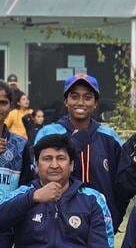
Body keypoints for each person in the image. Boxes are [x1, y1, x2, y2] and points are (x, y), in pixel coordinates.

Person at [34, 73, 127, 229]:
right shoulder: (48, 133)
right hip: (55, 222)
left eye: (87, 97)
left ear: (96, 102)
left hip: (100, 222)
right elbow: (36, 177)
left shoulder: (109, 136)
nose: (80, 102)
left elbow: (121, 184)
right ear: (66, 101)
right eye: (74, 96)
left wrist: (114, 216)